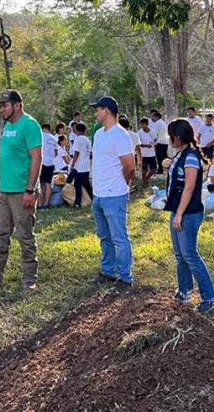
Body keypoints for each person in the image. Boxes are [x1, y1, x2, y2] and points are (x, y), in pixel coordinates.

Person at [0, 90, 42, 291]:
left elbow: (36, 159)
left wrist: (30, 190)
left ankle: (29, 280)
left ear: (17, 105)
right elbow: (4, 157)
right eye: (0, 106)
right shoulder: (8, 126)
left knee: (25, 236)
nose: (1, 109)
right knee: (0, 235)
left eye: (4, 105)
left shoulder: (30, 125)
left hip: (21, 192)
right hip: (3, 191)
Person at [165, 119, 214, 314]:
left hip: (188, 213)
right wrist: (169, 165)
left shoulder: (190, 157)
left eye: (170, 135)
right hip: (178, 211)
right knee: (180, 254)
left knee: (189, 254)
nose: (168, 138)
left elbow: (189, 187)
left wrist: (179, 214)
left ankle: (210, 298)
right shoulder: (182, 154)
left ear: (178, 137)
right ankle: (184, 291)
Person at [90, 96, 136, 291]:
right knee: (104, 236)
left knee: (119, 237)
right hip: (98, 194)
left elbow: (130, 166)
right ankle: (108, 271)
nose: (95, 113)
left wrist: (123, 183)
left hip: (114, 194)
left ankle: (125, 276)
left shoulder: (120, 134)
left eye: (97, 109)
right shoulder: (99, 134)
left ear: (106, 111)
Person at [69, 122, 93, 207]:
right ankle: (93, 199)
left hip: (79, 167)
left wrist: (73, 164)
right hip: (86, 167)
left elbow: (76, 153)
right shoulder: (88, 140)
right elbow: (91, 154)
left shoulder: (78, 139)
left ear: (76, 130)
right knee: (86, 185)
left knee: (77, 184)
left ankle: (77, 203)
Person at [39, 123, 58, 209]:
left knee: (38, 184)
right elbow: (56, 153)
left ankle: (39, 203)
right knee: (48, 184)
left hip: (40, 163)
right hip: (50, 164)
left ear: (42, 128)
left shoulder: (40, 136)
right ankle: (46, 204)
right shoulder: (54, 138)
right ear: (49, 129)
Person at [119, 117, 141, 186]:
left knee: (121, 177)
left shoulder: (117, 135)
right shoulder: (134, 135)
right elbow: (138, 149)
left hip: (120, 159)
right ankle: (130, 188)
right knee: (131, 177)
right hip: (131, 159)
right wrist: (140, 160)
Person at [138, 117, 158, 186]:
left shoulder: (153, 131)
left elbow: (156, 140)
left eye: (143, 124)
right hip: (144, 154)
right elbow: (139, 144)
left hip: (152, 154)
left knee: (154, 169)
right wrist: (146, 146)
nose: (142, 126)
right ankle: (144, 183)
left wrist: (154, 144)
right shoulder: (139, 133)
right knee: (144, 170)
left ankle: (146, 179)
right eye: (141, 125)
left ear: (147, 124)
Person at [150, 110, 168, 174]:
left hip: (160, 142)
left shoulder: (157, 123)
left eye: (153, 117)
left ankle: (160, 170)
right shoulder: (163, 123)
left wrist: (154, 141)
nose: (152, 118)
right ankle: (167, 168)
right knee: (165, 156)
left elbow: (155, 133)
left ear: (157, 117)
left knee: (159, 157)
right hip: (165, 141)